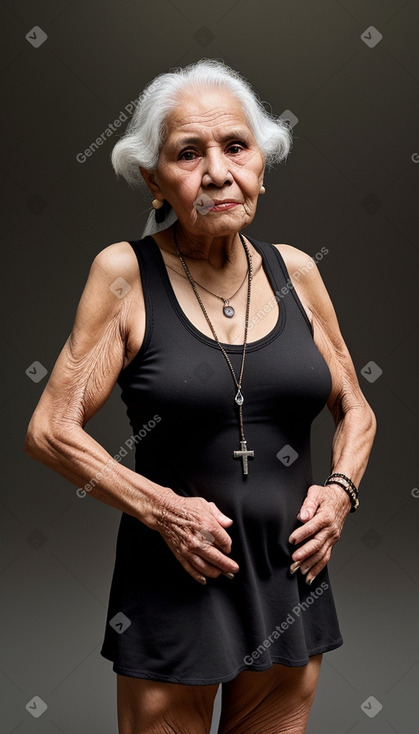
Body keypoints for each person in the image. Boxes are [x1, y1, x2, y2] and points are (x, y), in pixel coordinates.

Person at [25, 58, 377, 734]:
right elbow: (49, 429)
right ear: (153, 179)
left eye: (235, 147)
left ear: (262, 165)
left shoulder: (297, 273)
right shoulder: (124, 273)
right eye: (189, 153)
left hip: (288, 580)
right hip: (175, 582)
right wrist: (164, 512)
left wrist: (339, 493)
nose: (217, 171)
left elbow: (355, 406)